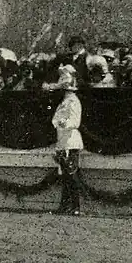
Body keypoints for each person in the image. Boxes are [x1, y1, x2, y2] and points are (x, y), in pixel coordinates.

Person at [50, 65, 84, 216]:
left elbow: (75, 122)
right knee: (65, 176)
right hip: (62, 140)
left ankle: (76, 206)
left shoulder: (73, 101)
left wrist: (64, 123)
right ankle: (64, 206)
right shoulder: (63, 103)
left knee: (71, 174)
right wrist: (59, 122)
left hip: (71, 140)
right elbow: (55, 120)